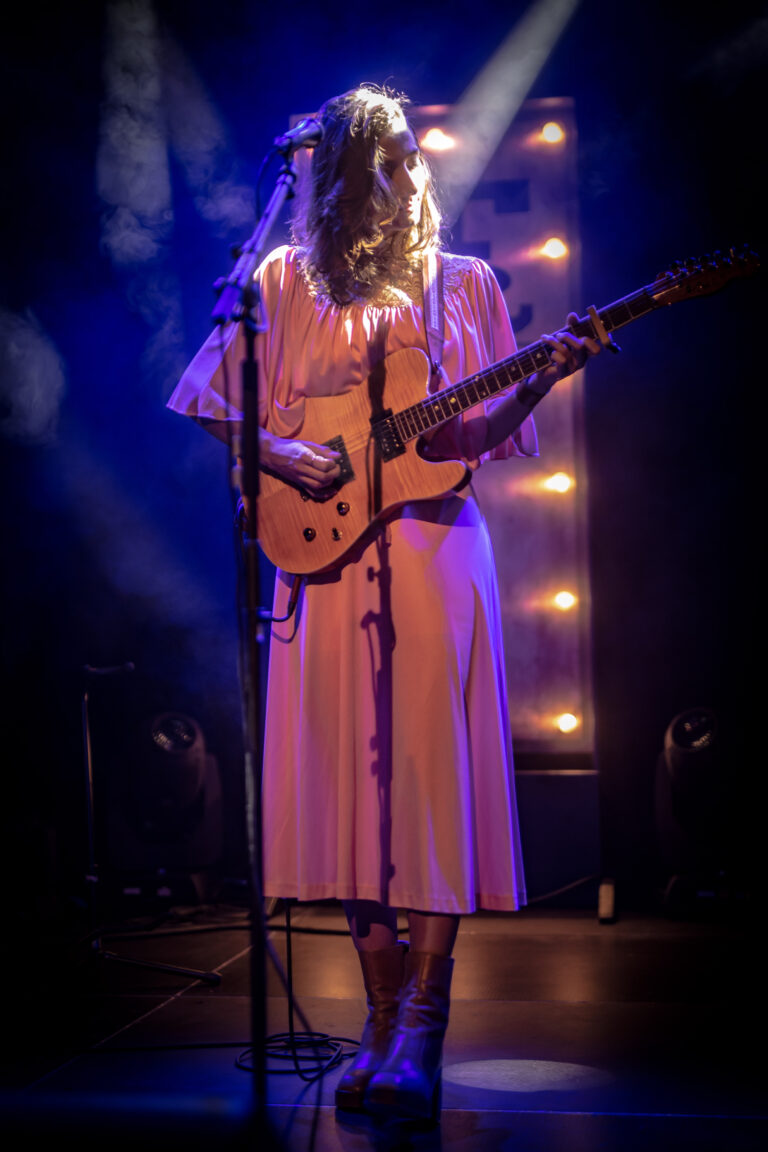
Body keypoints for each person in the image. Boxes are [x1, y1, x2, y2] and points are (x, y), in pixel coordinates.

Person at [168, 84, 599, 1122]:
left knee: (424, 782)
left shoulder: (465, 284)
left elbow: (468, 437)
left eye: (417, 155)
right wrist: (278, 449)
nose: (413, 175)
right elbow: (205, 400)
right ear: (343, 173)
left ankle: (423, 1028)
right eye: (391, 158)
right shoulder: (278, 279)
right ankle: (373, 1016)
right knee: (349, 790)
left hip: (432, 553)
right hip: (319, 559)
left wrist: (544, 379)